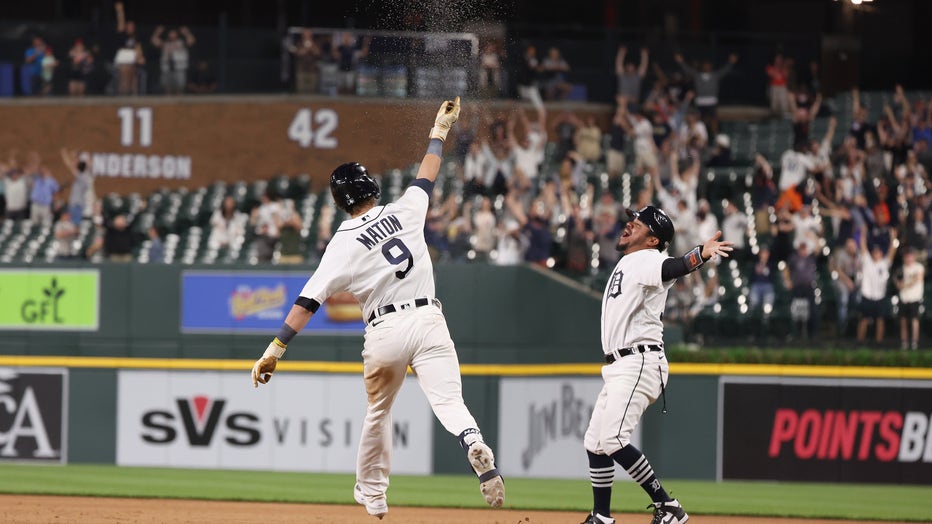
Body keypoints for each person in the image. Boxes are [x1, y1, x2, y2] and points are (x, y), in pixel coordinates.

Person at [250, 97, 505, 518]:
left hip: (386, 331)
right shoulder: (406, 209)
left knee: (379, 412)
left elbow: (307, 302)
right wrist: (438, 131)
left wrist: (274, 350)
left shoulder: (343, 242)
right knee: (449, 401)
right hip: (428, 318)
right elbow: (427, 174)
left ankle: (374, 494)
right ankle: (472, 440)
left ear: (339, 200)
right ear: (371, 187)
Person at [581, 205, 732, 524]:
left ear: (652, 240)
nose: (628, 225)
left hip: (639, 360)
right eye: (630, 221)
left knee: (613, 440)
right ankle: (602, 516)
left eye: (636, 225)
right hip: (622, 365)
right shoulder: (631, 260)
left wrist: (699, 255)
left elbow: (674, 267)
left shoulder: (649, 259)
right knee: (595, 442)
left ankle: (669, 506)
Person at [151, 26, 196, 95]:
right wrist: (157, 32)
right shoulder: (165, 43)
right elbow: (154, 41)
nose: (172, 35)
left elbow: (191, 41)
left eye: (174, 33)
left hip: (179, 69)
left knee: (180, 88)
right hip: (167, 69)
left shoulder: (181, 43)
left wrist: (187, 33)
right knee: (167, 89)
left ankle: (180, 103)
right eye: (171, 33)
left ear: (177, 34)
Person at [896, 248, 925, 350]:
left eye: (910, 256)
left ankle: (914, 343)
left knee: (914, 321)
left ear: (914, 257)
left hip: (915, 298)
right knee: (903, 321)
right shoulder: (901, 269)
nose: (908, 258)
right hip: (904, 298)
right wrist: (902, 284)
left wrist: (905, 284)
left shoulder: (919, 267)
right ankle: (904, 342)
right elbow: (897, 283)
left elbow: (918, 279)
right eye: (906, 256)